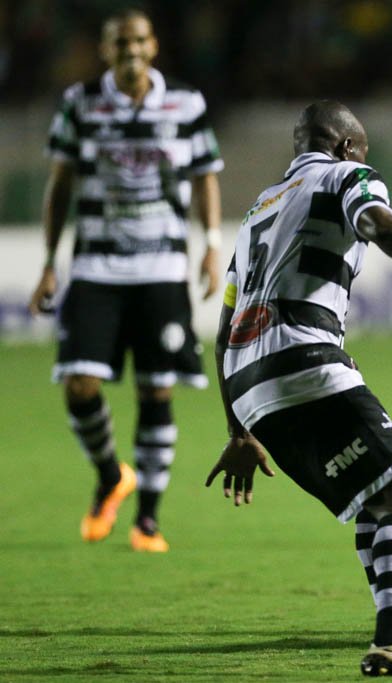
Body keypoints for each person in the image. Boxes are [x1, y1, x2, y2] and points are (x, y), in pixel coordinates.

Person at [205, 101, 392, 677]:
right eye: (363, 149)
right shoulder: (347, 176)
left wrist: (237, 429)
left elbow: (223, 329)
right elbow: (381, 226)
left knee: (374, 500)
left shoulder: (257, 210)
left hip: (248, 382)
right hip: (304, 357)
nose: (366, 159)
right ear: (346, 146)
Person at [28, 9, 224, 552]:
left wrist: (210, 246)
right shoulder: (80, 103)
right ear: (105, 49)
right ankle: (112, 475)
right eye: (120, 43)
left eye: (138, 40)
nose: (130, 50)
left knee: (156, 388)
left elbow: (206, 175)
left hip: (163, 267)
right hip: (96, 265)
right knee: (79, 384)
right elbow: (60, 183)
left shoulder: (186, 102)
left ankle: (148, 519)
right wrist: (49, 259)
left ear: (153, 46)